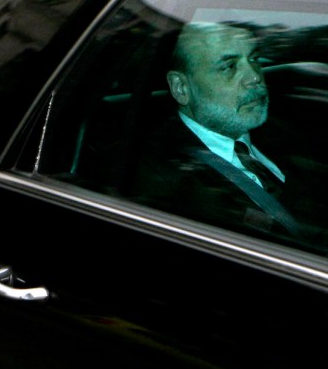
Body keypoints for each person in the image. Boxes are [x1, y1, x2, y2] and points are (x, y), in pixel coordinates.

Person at [131, 22, 311, 242]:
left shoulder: (284, 132)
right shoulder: (154, 177)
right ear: (181, 87)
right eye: (229, 66)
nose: (254, 76)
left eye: (254, 59)